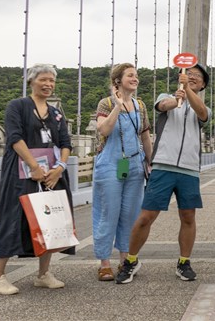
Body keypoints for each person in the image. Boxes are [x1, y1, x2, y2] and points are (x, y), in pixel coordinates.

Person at [115, 64, 211, 284]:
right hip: (162, 166)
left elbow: (202, 113)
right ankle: (131, 260)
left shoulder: (200, 104)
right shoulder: (168, 96)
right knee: (146, 216)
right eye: (190, 74)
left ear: (203, 84)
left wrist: (187, 91)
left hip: (189, 168)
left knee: (188, 217)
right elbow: (163, 105)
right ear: (182, 76)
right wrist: (178, 95)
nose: (194, 77)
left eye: (198, 77)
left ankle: (184, 262)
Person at [0, 64, 74, 295]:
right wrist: (34, 166)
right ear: (32, 82)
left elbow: (65, 143)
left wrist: (59, 168)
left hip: (52, 175)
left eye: (52, 81)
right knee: (13, 218)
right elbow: (14, 138)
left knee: (51, 219)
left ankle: (43, 274)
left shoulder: (55, 113)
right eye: (43, 80)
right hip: (22, 172)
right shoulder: (17, 106)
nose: (48, 84)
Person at [91, 63, 152, 281]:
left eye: (136, 75)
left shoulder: (141, 105)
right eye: (130, 75)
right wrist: (118, 106)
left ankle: (125, 261)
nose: (135, 79)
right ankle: (104, 262)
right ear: (118, 80)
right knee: (108, 214)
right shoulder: (106, 103)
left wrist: (150, 162)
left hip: (134, 166)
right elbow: (104, 129)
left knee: (130, 216)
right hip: (110, 165)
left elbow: (145, 136)